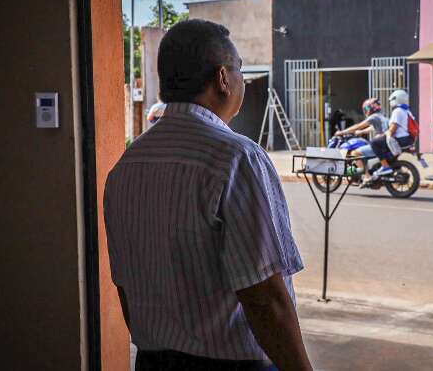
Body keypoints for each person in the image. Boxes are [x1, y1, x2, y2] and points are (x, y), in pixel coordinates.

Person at [104, 19, 312, 371]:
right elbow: (265, 299)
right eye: (240, 70)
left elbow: (125, 285)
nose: (242, 80)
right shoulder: (235, 158)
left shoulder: (126, 165)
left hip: (152, 362)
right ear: (222, 79)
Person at [335, 98, 389, 177]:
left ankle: (366, 177)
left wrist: (342, 132)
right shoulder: (382, 117)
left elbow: (358, 126)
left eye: (366, 108)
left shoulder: (373, 117)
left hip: (379, 145)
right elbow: (372, 127)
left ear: (370, 108)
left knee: (355, 153)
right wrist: (362, 132)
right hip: (385, 144)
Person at [369, 90, 416, 178]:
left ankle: (385, 166)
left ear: (396, 99)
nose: (390, 101)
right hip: (409, 139)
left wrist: (383, 135)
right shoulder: (407, 111)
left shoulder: (397, 111)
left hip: (400, 139)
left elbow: (393, 129)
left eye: (391, 99)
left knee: (374, 143)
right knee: (383, 144)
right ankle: (392, 166)